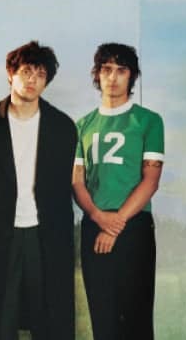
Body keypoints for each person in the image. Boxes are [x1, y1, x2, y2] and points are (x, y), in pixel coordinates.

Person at [0, 41, 77, 340]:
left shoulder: (63, 126)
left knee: (50, 315)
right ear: (10, 74)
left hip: (46, 233)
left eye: (40, 74)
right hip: (0, 233)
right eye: (26, 71)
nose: (32, 79)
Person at [72, 43, 164, 340]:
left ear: (132, 76)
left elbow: (150, 180)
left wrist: (114, 226)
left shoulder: (149, 121)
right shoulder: (82, 125)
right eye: (106, 69)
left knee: (136, 319)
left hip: (133, 226)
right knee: (104, 319)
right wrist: (99, 217)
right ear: (97, 75)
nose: (113, 77)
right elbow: (77, 182)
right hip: (93, 225)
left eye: (121, 70)